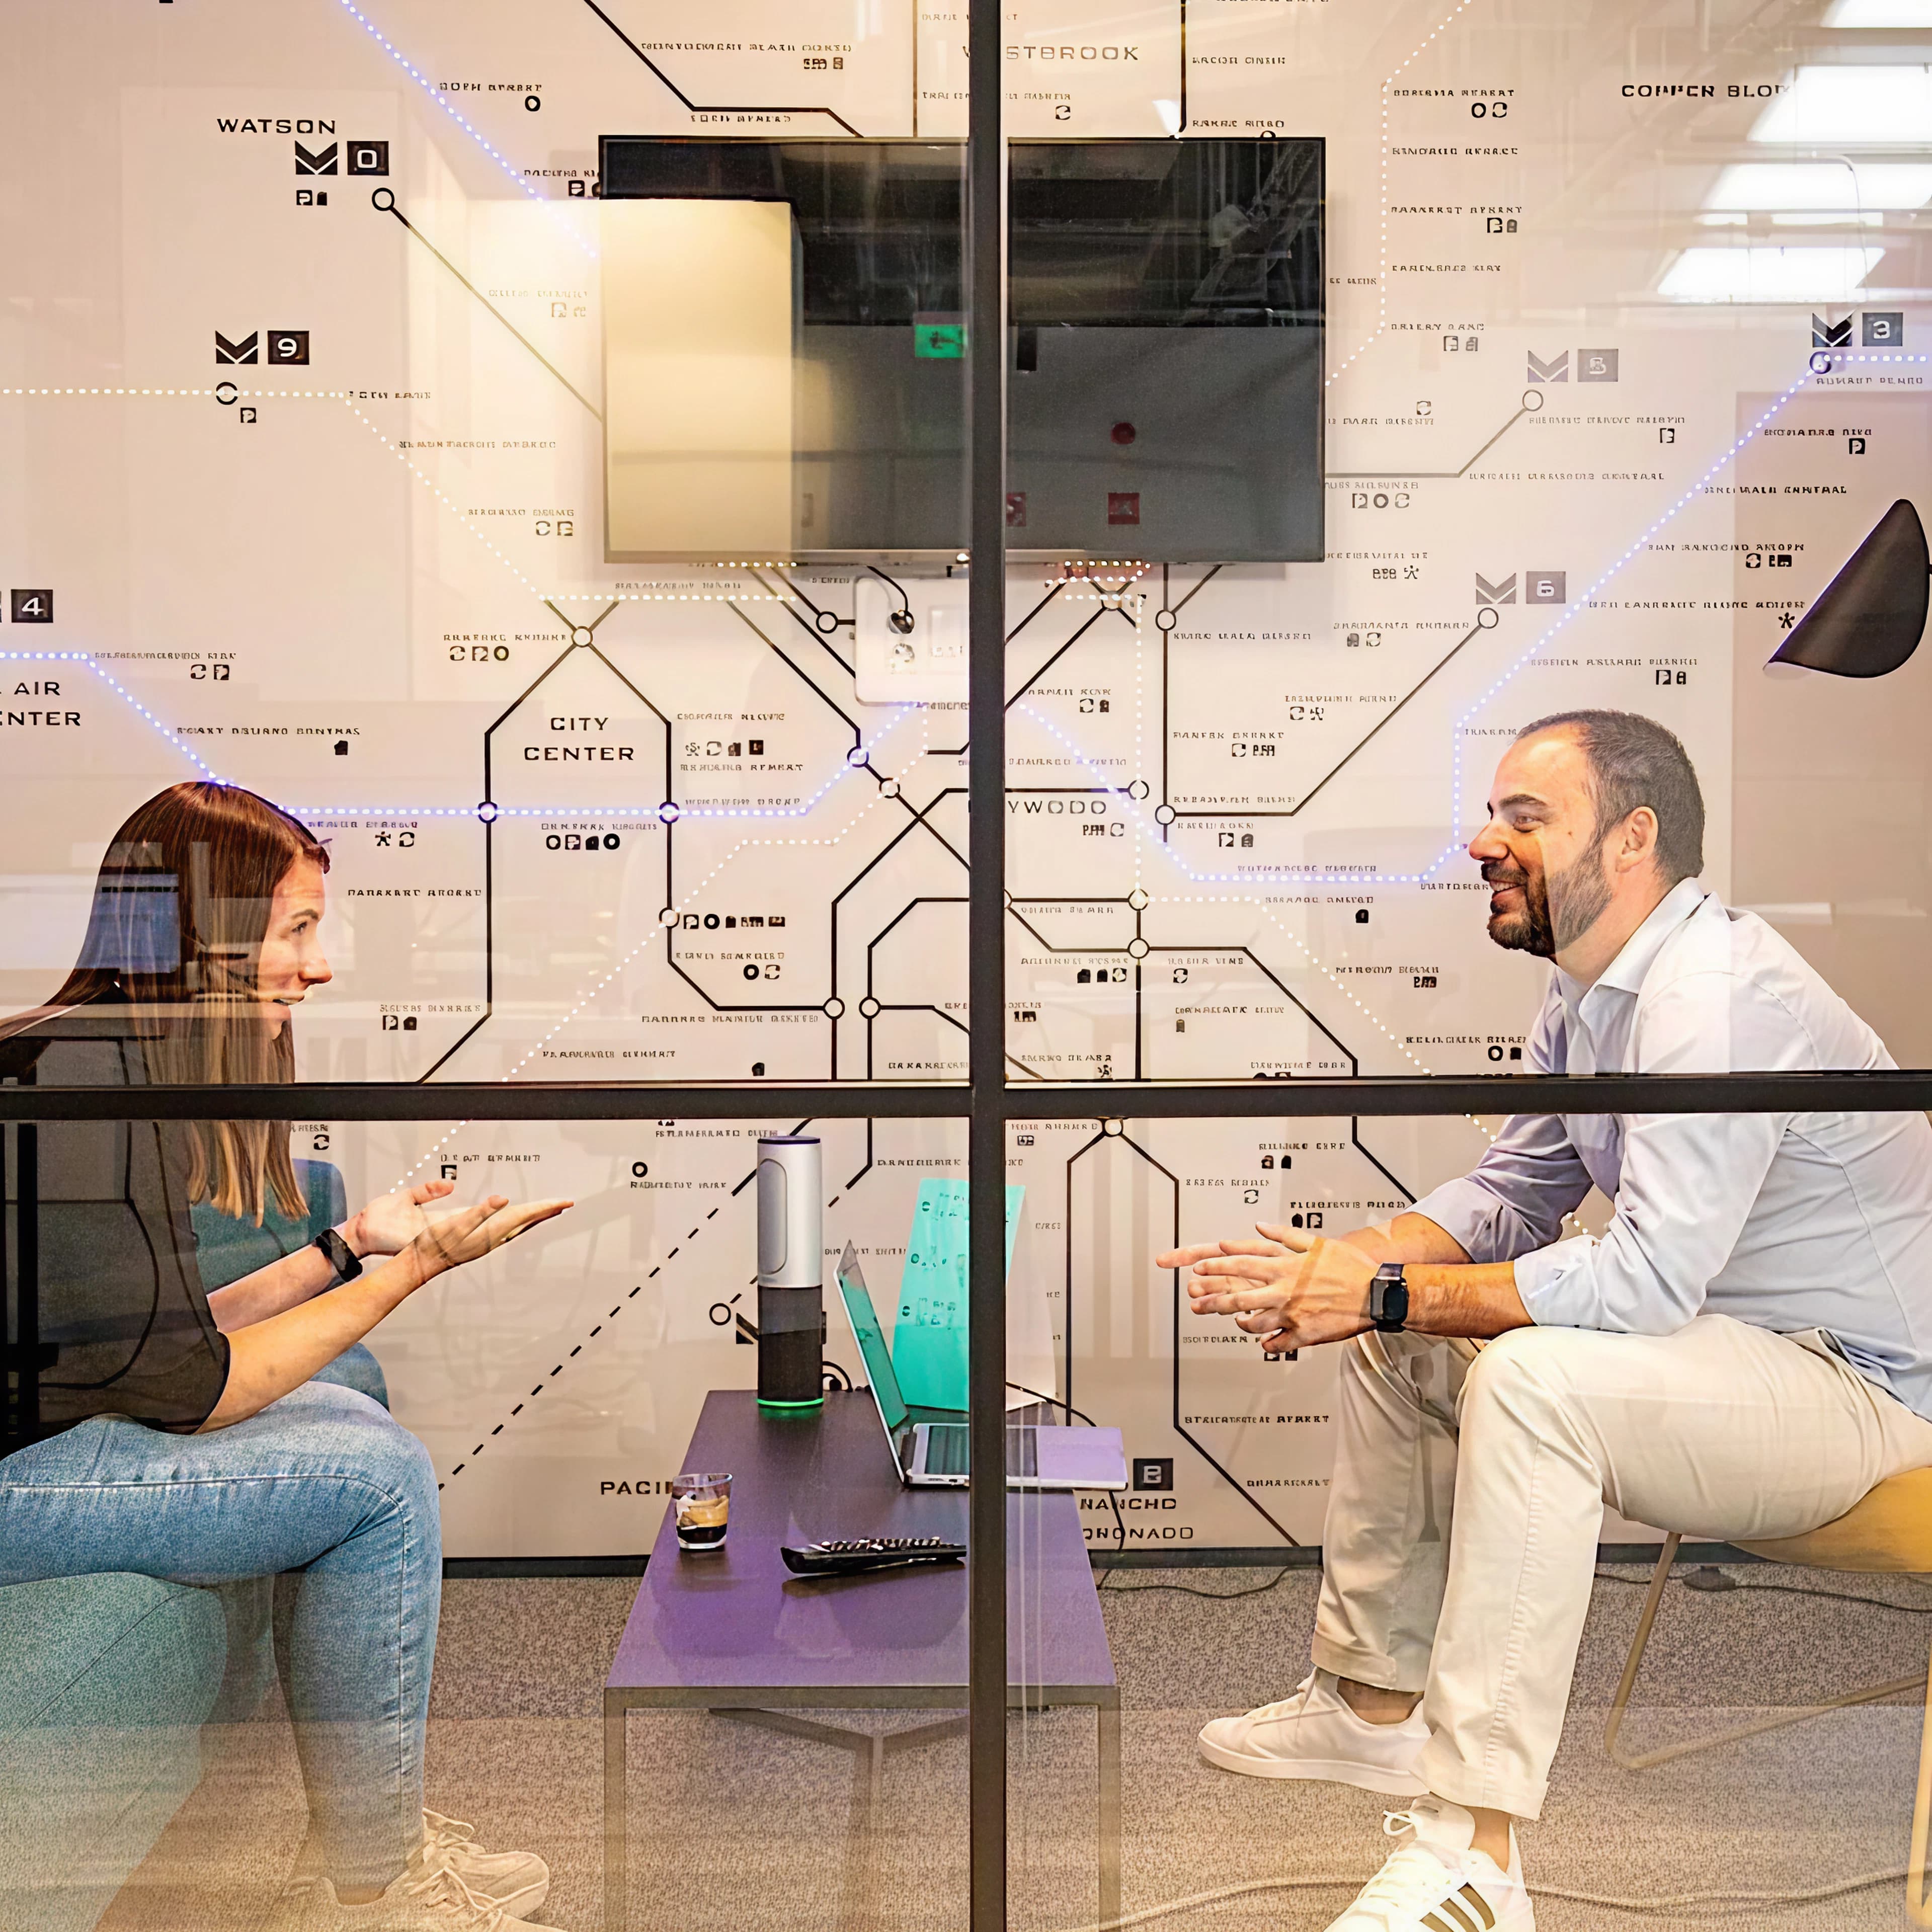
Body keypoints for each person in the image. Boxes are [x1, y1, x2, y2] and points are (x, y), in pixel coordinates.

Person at [1161, 710, 1932, 1932]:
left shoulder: (1713, 996)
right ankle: (1374, 1710)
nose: (1484, 842)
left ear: (1632, 840)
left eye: (1526, 820)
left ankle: (1473, 1853)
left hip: (1863, 1395)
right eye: (1493, 816)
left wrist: (1382, 1286)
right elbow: (1517, 1193)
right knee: (1408, 1339)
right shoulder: (1591, 993)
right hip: (1731, 1358)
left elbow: (1644, 1281)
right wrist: (1352, 1266)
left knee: (1530, 1381)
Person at [0, 782, 575, 1932]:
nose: (318, 966)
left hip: (41, 1433)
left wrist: (348, 1246)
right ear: (205, 935)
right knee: (379, 1481)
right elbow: (197, 1389)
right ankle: (373, 1893)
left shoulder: (95, 1066)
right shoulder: (77, 1091)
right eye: (297, 930)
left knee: (352, 1422)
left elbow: (156, 1340)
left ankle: (369, 1851)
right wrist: (412, 1272)